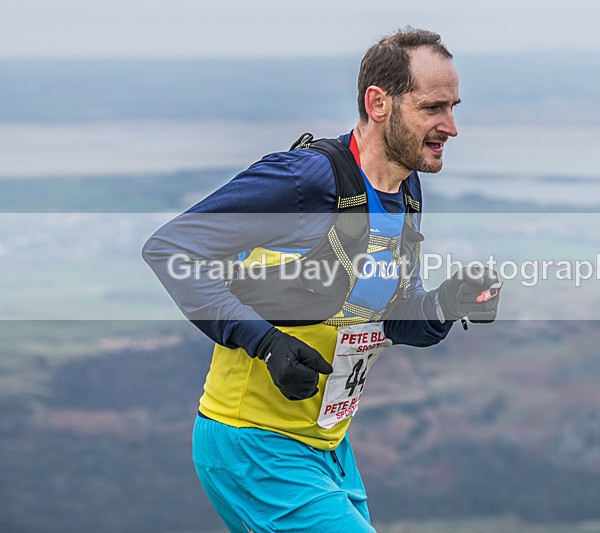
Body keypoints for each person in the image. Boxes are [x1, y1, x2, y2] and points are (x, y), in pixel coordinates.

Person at [142, 28, 500, 533]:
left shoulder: (405, 189)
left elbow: (392, 318)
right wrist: (266, 344)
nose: (452, 126)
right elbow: (171, 248)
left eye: (454, 107)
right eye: (433, 108)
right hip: (254, 444)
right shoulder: (306, 179)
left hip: (329, 447)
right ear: (379, 103)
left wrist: (446, 304)